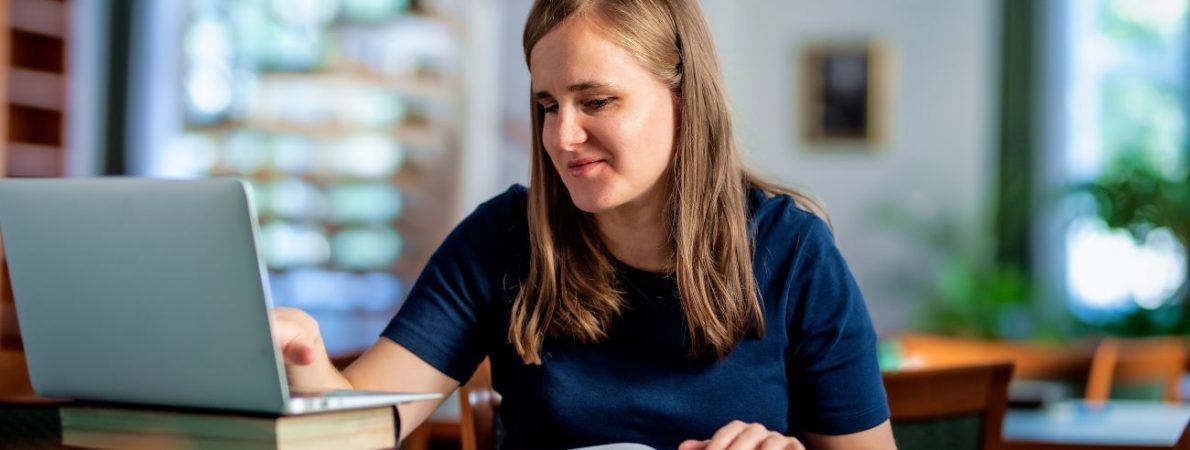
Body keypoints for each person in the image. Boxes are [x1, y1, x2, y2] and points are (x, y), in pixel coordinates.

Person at [273, 0, 896, 449]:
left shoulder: (792, 252)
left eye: (596, 101)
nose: (562, 137)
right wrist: (298, 353)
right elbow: (355, 431)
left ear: (685, 97)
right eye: (548, 106)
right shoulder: (501, 241)